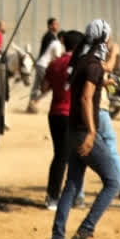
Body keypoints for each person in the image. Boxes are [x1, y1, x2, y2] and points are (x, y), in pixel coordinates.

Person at [51, 20, 120, 239]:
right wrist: (92, 132)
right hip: (83, 131)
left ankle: (57, 237)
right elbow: (85, 98)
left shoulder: (83, 61)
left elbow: (99, 74)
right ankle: (86, 230)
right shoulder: (93, 65)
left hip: (73, 130)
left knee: (72, 185)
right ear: (103, 39)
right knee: (113, 182)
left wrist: (105, 75)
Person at [43, 30, 84, 210]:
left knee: (59, 154)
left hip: (55, 114)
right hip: (72, 114)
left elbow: (44, 86)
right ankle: (59, 197)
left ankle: (54, 195)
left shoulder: (54, 63)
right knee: (71, 156)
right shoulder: (80, 64)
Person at [97, 40, 120, 211]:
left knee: (80, 153)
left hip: (84, 111)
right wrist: (113, 53)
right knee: (112, 151)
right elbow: (104, 72)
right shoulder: (97, 59)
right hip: (99, 110)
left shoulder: (82, 55)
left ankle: (79, 196)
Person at [28, 22, 64, 113]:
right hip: (43, 65)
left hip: (40, 64)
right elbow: (58, 58)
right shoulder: (57, 44)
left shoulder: (54, 42)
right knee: (49, 86)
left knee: (36, 86)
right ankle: (34, 102)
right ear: (62, 38)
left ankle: (30, 105)